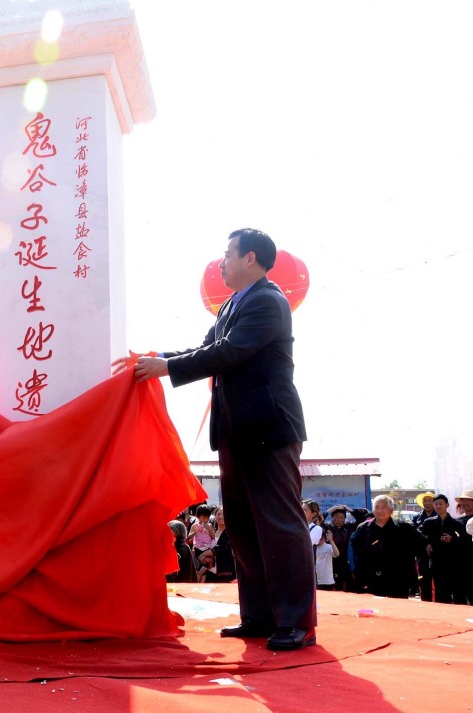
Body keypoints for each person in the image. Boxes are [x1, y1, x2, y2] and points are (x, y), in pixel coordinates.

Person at [124, 228, 314, 651]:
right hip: (235, 431)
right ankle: (260, 616)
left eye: (227, 254)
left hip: (268, 428)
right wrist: (154, 360)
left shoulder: (269, 300)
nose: (221, 262)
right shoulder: (232, 303)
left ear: (250, 258)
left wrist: (164, 369)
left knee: (280, 525)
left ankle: (297, 622)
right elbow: (205, 348)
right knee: (244, 527)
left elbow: (229, 353)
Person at [350, 495, 423, 598]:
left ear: (391, 510)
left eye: (384, 507)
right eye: (377, 507)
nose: (380, 510)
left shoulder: (405, 529)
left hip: (397, 580)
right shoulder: (363, 528)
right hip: (371, 579)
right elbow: (358, 553)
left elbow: (414, 553)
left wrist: (413, 580)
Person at [417, 494, 466, 604]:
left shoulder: (456, 523)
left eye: (441, 504)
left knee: (457, 593)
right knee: (440, 591)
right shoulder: (429, 522)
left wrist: (452, 539)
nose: (438, 506)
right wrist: (427, 543)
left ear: (447, 505)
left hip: (453, 563)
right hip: (436, 561)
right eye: (436, 504)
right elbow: (418, 532)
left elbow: (463, 539)